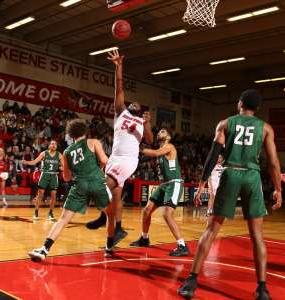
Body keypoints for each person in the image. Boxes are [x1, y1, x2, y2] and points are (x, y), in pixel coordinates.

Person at [178, 89, 283, 300]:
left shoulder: (225, 123)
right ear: (257, 108)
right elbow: (272, 162)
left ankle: (191, 281)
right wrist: (278, 189)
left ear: (240, 103)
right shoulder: (266, 129)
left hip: (231, 173)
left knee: (211, 230)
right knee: (257, 237)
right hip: (252, 176)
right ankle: (262, 289)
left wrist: (201, 184)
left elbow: (212, 156)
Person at [85, 49, 153, 245]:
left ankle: (103, 218)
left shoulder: (141, 121)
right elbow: (119, 88)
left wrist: (147, 123)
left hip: (128, 160)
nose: (135, 104)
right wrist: (119, 67)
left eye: (138, 105)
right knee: (115, 196)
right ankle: (119, 228)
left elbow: (149, 140)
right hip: (114, 157)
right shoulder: (120, 112)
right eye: (132, 102)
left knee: (102, 187)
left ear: (140, 110)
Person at [28, 119, 115, 261]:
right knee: (110, 215)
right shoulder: (93, 142)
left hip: (79, 185)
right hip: (97, 183)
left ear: (71, 134)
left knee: (63, 219)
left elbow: (67, 178)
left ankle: (44, 250)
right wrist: (98, 167)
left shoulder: (67, 152)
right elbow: (105, 161)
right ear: (85, 131)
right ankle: (109, 248)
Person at [130, 128, 190, 256]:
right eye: (159, 132)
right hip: (163, 185)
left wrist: (139, 148)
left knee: (167, 214)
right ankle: (144, 238)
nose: (159, 133)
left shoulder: (169, 147)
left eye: (162, 131)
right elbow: (152, 154)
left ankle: (182, 245)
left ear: (168, 136)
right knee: (146, 210)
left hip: (174, 183)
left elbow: (156, 153)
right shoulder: (160, 150)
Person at [23, 140, 63, 221]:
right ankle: (36, 212)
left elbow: (63, 166)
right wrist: (26, 162)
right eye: (52, 144)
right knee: (40, 194)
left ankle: (51, 212)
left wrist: (63, 168)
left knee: (53, 195)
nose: (54, 145)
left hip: (54, 175)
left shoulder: (59, 155)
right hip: (44, 174)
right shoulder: (44, 153)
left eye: (55, 144)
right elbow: (35, 161)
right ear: (49, 146)